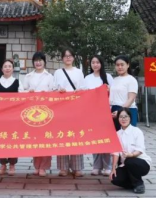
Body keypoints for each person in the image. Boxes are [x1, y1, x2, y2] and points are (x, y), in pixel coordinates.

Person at [20, 52, 55, 177]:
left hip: (46, 112)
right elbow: (22, 91)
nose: (38, 62)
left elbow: (54, 92)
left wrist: (47, 93)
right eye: (36, 60)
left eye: (40, 60)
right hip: (32, 112)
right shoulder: (28, 76)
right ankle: (36, 165)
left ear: (44, 62)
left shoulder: (50, 76)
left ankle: (44, 167)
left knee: (46, 139)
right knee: (35, 139)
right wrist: (28, 92)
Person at [53, 49, 85, 178]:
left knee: (76, 135)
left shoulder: (78, 72)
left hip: (75, 107)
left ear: (73, 58)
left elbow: (83, 89)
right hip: (61, 107)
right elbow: (53, 88)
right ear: (62, 58)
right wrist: (58, 90)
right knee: (62, 135)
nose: (68, 58)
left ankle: (77, 167)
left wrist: (78, 91)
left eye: (70, 56)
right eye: (65, 56)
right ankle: (63, 167)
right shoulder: (58, 72)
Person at [82, 55, 115, 176]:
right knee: (95, 139)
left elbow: (113, 93)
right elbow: (84, 94)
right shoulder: (87, 78)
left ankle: (107, 166)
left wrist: (108, 89)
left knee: (105, 139)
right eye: (93, 62)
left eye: (97, 62)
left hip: (105, 112)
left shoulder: (108, 77)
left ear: (101, 64)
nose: (95, 65)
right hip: (92, 113)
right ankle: (96, 166)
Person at [110, 108, 152, 194]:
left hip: (141, 163)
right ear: (118, 119)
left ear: (130, 118)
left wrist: (131, 155)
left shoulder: (137, 131)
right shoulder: (117, 134)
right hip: (126, 164)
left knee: (129, 161)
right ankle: (133, 184)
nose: (123, 119)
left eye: (126, 116)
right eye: (121, 117)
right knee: (114, 178)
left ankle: (139, 184)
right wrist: (113, 168)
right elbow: (116, 153)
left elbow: (140, 149)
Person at [0, 59, 20, 176]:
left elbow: (22, 98)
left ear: (13, 69)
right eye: (5, 66)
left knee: (13, 139)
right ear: (2, 69)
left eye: (9, 66)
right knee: (1, 139)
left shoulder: (17, 82)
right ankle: (3, 164)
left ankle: (12, 164)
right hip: (0, 116)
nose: (7, 68)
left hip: (13, 116)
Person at [110, 56, 139, 130]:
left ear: (128, 65)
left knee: (127, 134)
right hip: (114, 110)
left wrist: (120, 111)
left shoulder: (131, 80)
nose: (120, 67)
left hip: (127, 110)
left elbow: (131, 99)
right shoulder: (115, 80)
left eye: (122, 65)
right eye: (117, 65)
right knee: (117, 134)